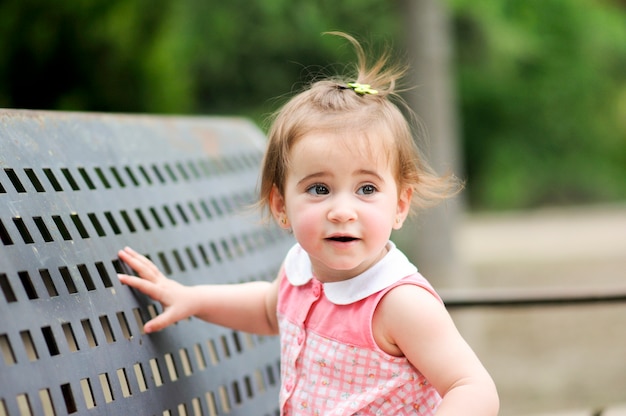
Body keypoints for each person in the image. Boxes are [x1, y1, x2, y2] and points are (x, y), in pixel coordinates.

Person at [118, 32, 499, 415]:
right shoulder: (299, 269)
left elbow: (472, 386)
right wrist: (191, 298)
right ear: (281, 205)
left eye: (366, 188)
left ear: (399, 205)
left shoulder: (399, 303)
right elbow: (268, 308)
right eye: (319, 188)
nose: (342, 210)